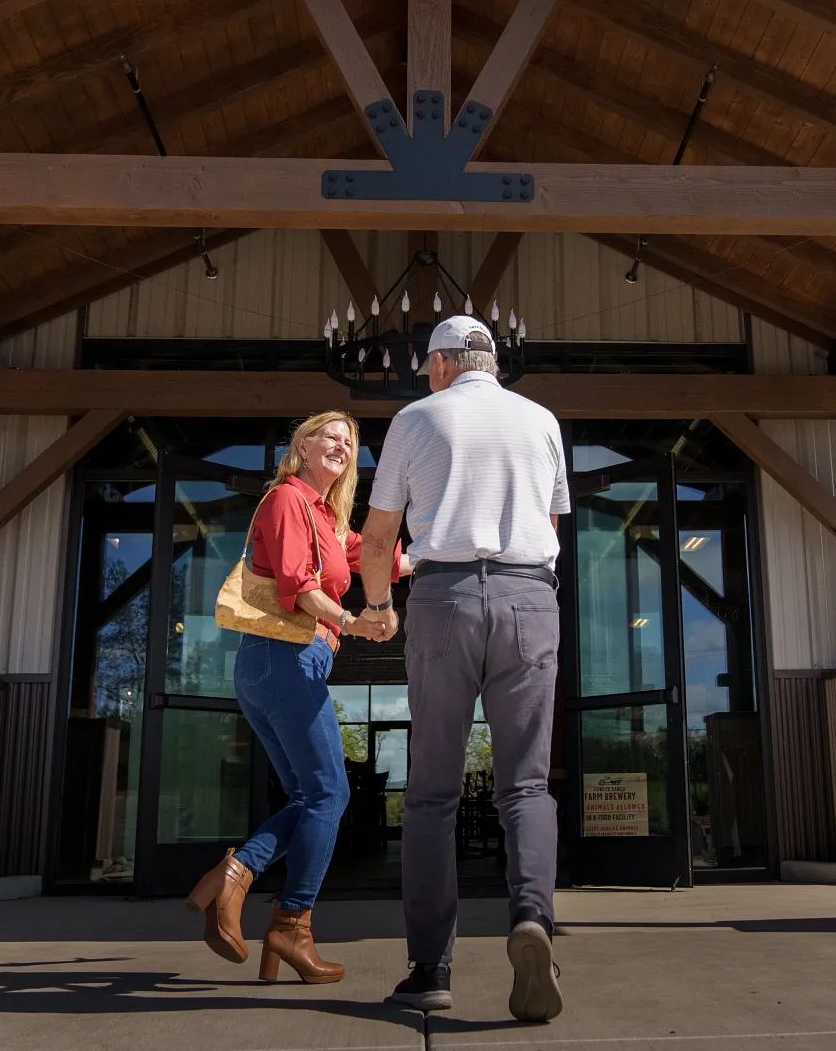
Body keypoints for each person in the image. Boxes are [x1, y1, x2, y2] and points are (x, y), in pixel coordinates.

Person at [357, 315, 571, 1022]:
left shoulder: (416, 418)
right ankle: (533, 916)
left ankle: (430, 969)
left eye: (428, 367)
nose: (426, 377)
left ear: (446, 362)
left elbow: (382, 532)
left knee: (431, 793)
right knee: (527, 784)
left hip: (445, 597)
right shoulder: (541, 420)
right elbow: (552, 523)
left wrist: (383, 604)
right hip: (529, 597)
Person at [185, 410, 407, 985]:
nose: (341, 444)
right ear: (302, 446)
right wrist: (355, 623)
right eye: (330, 435)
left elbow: (384, 556)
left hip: (285, 666)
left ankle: (237, 878)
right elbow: (298, 586)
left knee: (312, 796)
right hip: (281, 659)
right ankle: (290, 923)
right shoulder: (286, 499)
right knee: (329, 794)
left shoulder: (328, 521)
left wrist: (451, 541)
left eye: (350, 441)